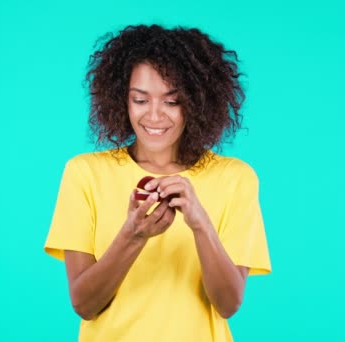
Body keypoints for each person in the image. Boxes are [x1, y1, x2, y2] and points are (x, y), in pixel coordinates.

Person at [44, 24, 271, 342]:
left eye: (172, 102)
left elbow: (228, 304)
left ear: (197, 102)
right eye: (140, 100)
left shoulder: (235, 178)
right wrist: (133, 235)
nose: (154, 115)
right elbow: (84, 304)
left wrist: (200, 223)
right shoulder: (84, 173)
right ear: (121, 100)